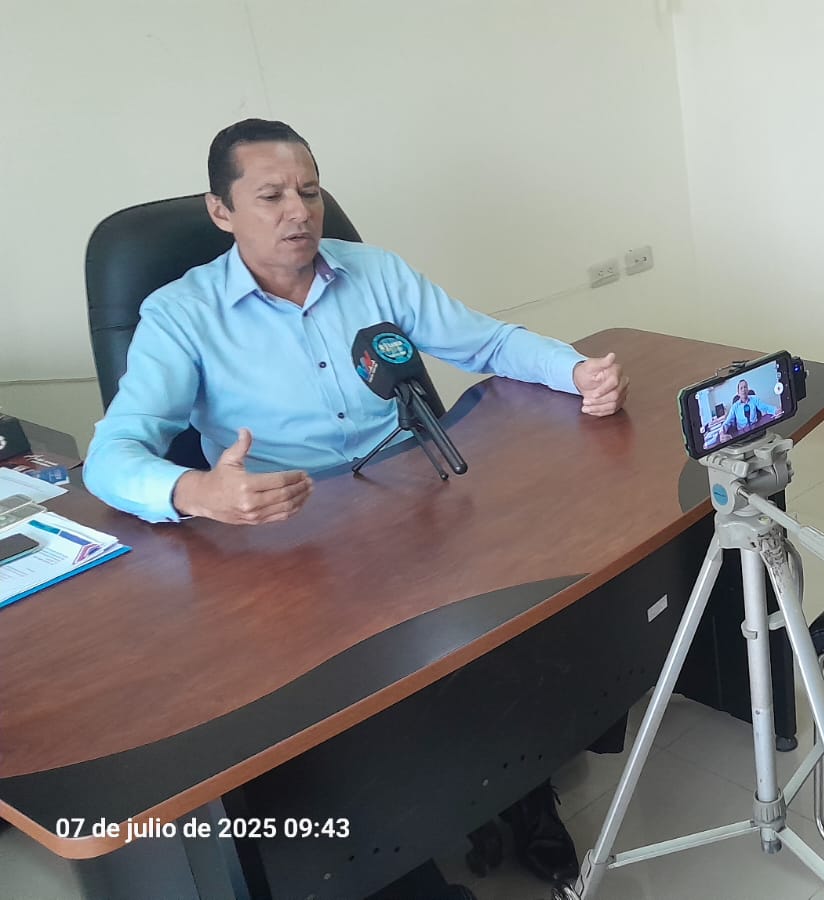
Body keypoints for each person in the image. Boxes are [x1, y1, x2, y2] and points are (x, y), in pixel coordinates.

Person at [82, 118, 621, 885]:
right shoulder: (182, 314)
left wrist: (575, 372)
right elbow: (111, 456)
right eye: (271, 196)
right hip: (290, 549)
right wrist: (196, 489)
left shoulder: (374, 273)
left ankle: (522, 792)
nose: (298, 212)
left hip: (414, 512)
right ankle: (398, 855)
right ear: (221, 211)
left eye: (309, 191)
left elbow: (489, 343)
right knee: (356, 717)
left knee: (523, 613)